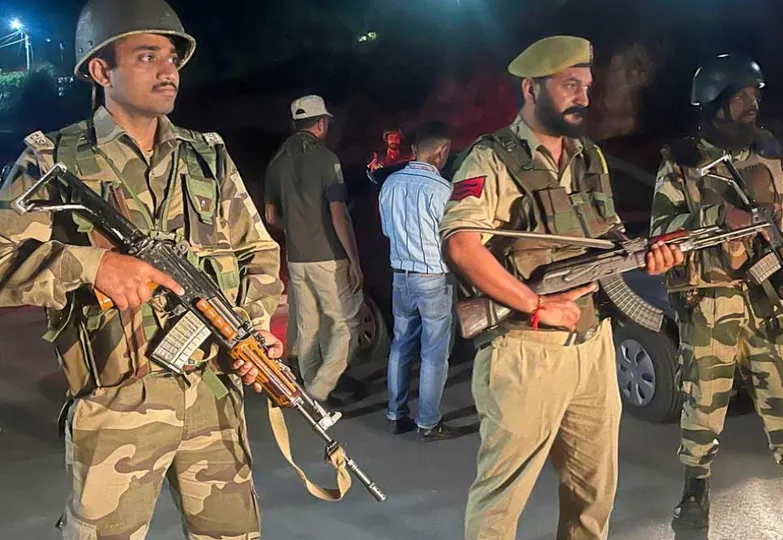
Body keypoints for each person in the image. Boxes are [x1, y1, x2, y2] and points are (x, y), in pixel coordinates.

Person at [0, 0, 283, 537]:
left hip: (214, 395)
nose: (168, 71)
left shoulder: (207, 158)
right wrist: (93, 266)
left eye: (172, 58)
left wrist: (255, 325)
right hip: (116, 405)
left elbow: (258, 253)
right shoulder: (52, 160)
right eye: (147, 57)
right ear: (101, 71)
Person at [440, 36, 684, 539]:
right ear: (531, 88)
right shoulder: (491, 158)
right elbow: (461, 246)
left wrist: (649, 254)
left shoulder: (588, 156)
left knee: (593, 499)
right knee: (500, 503)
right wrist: (535, 305)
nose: (583, 98)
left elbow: (610, 237)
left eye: (587, 87)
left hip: (592, 348)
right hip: (525, 352)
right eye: (570, 85)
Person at [650, 54, 783, 534]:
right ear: (715, 103)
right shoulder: (682, 162)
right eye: (741, 96)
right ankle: (695, 492)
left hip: (770, 299)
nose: (752, 103)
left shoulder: (774, 152)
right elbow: (662, 232)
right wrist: (720, 218)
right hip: (711, 302)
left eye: (755, 94)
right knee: (702, 404)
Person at [265, 95, 366, 405]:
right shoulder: (326, 159)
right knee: (345, 324)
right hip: (328, 256)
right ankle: (320, 388)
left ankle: (310, 388)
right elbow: (338, 215)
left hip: (296, 258)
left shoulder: (277, 163)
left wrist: (296, 229)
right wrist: (354, 261)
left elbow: (271, 216)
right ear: (321, 123)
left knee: (308, 326)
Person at [378, 121, 466, 441]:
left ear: (414, 149)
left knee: (400, 345)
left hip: (400, 276)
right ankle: (427, 422)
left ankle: (395, 414)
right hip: (433, 278)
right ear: (442, 151)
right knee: (433, 352)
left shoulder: (390, 184)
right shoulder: (442, 190)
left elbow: (386, 230)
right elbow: (453, 239)